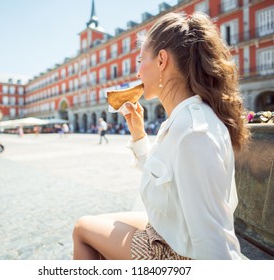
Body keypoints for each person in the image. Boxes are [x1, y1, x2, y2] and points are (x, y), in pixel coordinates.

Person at [72, 12, 250, 260]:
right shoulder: (182, 118)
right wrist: (139, 135)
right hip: (173, 231)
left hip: (177, 255)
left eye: (140, 61)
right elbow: (163, 179)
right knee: (98, 224)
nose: (137, 74)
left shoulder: (193, 132)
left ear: (162, 60)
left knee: (82, 229)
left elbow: (213, 240)